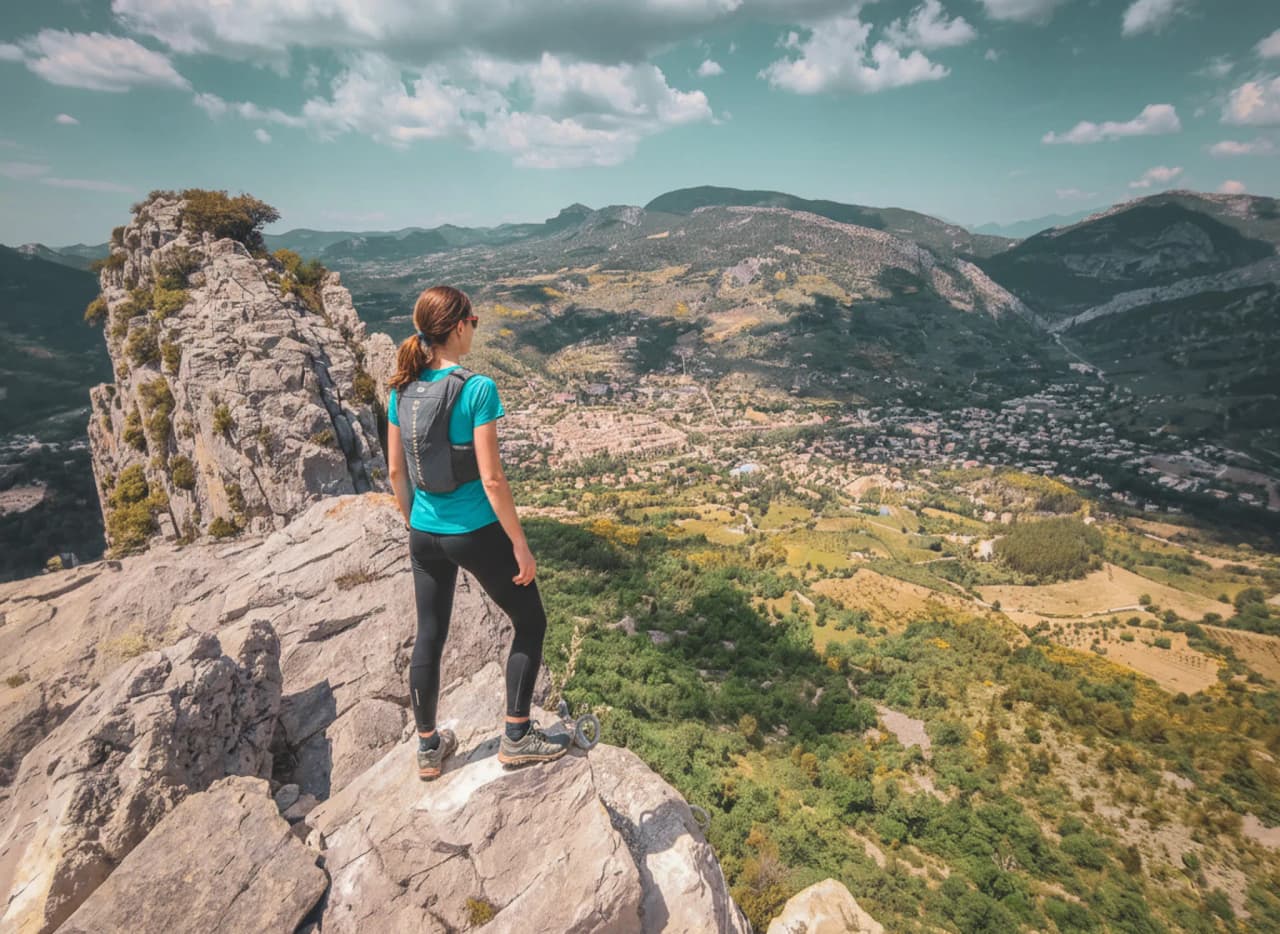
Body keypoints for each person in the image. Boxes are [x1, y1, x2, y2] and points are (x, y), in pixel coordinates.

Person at [386, 285, 569, 781]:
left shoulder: (400, 388)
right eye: (474, 320)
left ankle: (427, 748)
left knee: (431, 633)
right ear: (459, 326)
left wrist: (415, 523)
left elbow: (397, 474)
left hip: (424, 534)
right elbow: (491, 479)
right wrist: (519, 542)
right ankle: (516, 735)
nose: (475, 327)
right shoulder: (477, 388)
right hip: (474, 531)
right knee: (530, 622)